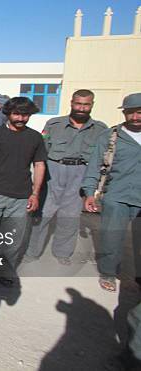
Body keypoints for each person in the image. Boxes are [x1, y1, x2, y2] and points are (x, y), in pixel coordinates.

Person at [25, 90, 107, 265]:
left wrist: (91, 187)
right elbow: (41, 151)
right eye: (78, 103)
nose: (82, 108)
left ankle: (62, 252)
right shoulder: (54, 124)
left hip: (80, 172)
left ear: (92, 105)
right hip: (53, 171)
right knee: (43, 213)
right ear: (71, 103)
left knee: (70, 216)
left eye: (86, 104)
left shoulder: (100, 129)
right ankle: (32, 251)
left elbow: (100, 157)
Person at [0, 97, 47, 286]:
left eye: (25, 115)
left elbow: (39, 164)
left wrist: (35, 193)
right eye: (16, 114)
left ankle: (3, 270)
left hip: (21, 196)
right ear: (8, 114)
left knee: (13, 238)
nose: (21, 118)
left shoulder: (35, 137)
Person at [82, 92, 141, 292]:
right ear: (124, 113)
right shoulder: (111, 136)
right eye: (131, 112)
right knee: (111, 238)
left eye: (140, 112)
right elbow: (94, 166)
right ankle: (108, 272)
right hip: (117, 196)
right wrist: (90, 193)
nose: (136, 117)